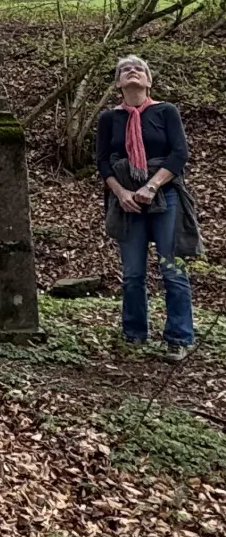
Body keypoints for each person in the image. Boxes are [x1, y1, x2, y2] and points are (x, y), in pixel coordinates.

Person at [97, 55, 197, 362]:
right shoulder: (109, 119)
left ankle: (178, 337)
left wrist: (152, 185)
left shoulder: (166, 112)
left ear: (148, 80)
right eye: (125, 70)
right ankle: (134, 334)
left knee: (172, 269)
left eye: (139, 69)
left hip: (164, 197)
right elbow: (102, 161)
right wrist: (122, 192)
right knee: (133, 273)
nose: (132, 72)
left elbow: (179, 153)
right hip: (126, 200)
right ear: (118, 84)